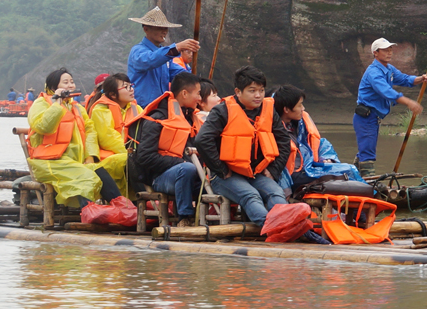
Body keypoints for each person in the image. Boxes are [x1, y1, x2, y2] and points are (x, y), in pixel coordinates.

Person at [194, 66, 291, 226]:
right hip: (227, 176)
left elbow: (284, 141)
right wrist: (221, 169)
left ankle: (286, 225)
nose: (258, 95)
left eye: (261, 90)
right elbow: (202, 140)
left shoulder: (268, 111)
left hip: (256, 173)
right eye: (252, 91)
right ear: (238, 92)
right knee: (250, 195)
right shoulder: (222, 111)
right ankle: (272, 227)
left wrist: (274, 169)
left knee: (276, 192)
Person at [27, 68, 123, 209]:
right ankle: (88, 212)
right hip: (50, 161)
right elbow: (44, 127)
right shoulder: (40, 104)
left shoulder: (76, 107)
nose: (71, 85)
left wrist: (90, 156)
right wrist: (57, 103)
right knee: (84, 176)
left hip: (75, 160)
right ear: (54, 88)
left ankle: (122, 208)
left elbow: (90, 130)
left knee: (99, 170)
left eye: (71, 82)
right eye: (65, 82)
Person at [128, 72, 203, 227]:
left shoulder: (189, 118)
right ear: (184, 93)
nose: (200, 98)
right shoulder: (157, 118)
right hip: (160, 178)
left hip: (190, 174)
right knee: (186, 168)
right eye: (198, 93)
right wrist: (179, 161)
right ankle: (185, 218)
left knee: (216, 179)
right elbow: (145, 157)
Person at [352, 38, 427, 176]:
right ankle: (368, 183)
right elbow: (386, 91)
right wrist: (409, 102)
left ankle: (355, 177)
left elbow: (405, 79)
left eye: (390, 50)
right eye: (385, 50)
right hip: (365, 117)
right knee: (368, 152)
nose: (389, 53)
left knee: (366, 150)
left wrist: (421, 78)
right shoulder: (373, 72)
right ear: (375, 53)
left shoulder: (389, 69)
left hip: (374, 117)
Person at [274, 84, 364, 195]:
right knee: (348, 171)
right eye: (300, 105)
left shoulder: (300, 126)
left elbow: (321, 144)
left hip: (310, 169)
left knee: (348, 170)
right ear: (286, 109)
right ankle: (372, 198)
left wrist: (328, 158)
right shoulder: (275, 131)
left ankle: (369, 199)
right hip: (295, 176)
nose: (303, 109)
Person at [127, 6, 201, 107]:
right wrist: (177, 47)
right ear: (146, 29)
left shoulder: (165, 58)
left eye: (165, 28)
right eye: (159, 28)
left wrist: (194, 79)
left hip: (161, 107)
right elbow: (150, 60)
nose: (164, 31)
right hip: (142, 108)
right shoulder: (137, 51)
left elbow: (179, 75)